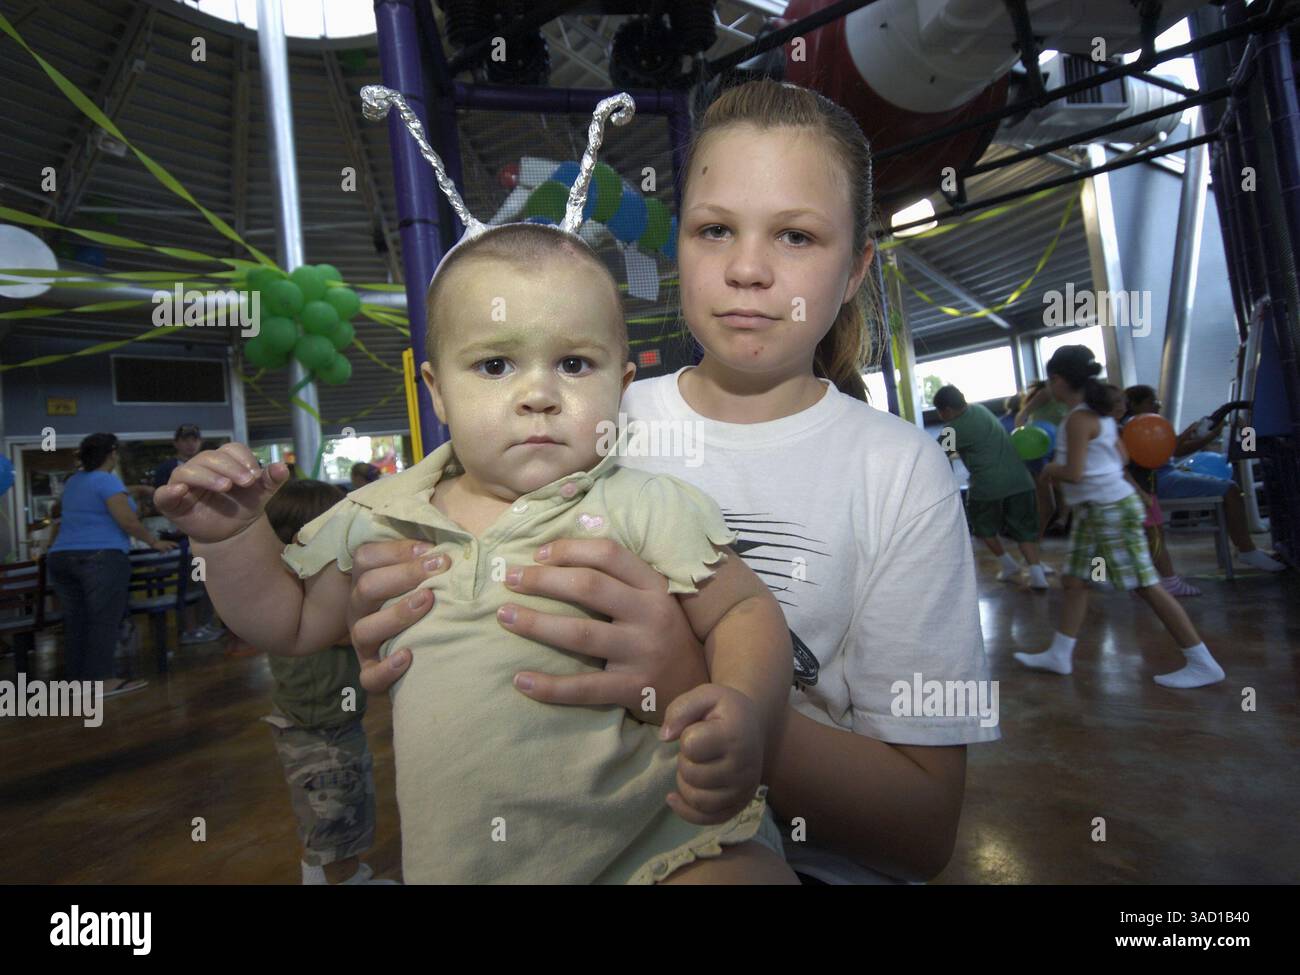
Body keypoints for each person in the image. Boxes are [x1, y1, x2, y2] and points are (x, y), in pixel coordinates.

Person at [344, 78, 997, 884]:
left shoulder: (902, 473)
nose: (748, 269)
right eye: (715, 229)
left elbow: (924, 830)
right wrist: (405, 617)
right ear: (677, 244)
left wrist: (692, 685)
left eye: (796, 237)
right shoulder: (572, 418)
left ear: (858, 265)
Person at [159, 194, 797, 877]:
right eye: (495, 366)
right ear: (436, 390)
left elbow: (742, 608)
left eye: (575, 365)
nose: (538, 395)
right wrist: (228, 540)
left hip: (659, 840)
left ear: (623, 383)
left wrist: (744, 710)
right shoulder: (381, 514)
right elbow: (285, 620)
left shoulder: (639, 502)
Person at [1014, 347, 1224, 688]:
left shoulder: (1079, 420)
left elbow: (1076, 472)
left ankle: (1202, 661)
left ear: (1056, 380)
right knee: (1076, 580)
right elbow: (1123, 457)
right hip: (1096, 510)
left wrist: (1051, 468)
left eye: (1050, 382)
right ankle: (1060, 654)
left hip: (1108, 509)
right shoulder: (1099, 415)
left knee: (1146, 584)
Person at [263, 480, 392, 885]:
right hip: (320, 727)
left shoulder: (289, 583)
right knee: (335, 810)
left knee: (336, 806)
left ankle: (331, 872)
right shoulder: (305, 589)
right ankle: (343, 877)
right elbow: (340, 631)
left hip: (322, 720)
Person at [46, 433, 176, 696]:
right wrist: (154, 542)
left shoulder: (74, 482)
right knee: (103, 618)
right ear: (113, 454)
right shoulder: (107, 482)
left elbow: (98, 495)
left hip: (61, 558)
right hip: (99, 557)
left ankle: (78, 682)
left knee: (77, 620)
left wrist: (135, 489)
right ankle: (101, 680)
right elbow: (126, 521)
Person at [1123, 385, 1283, 573]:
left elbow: (1172, 451)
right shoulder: (1132, 426)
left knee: (1228, 489)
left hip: (1164, 475)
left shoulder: (1141, 423)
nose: (1157, 406)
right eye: (1152, 402)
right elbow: (1168, 450)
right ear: (1134, 404)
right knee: (1230, 489)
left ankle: (1244, 546)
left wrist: (1199, 436)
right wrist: (1193, 434)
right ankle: (1247, 550)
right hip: (1157, 480)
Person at [934, 385, 1048, 589]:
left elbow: (937, 455)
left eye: (940, 411)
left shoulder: (953, 429)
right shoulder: (980, 410)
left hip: (988, 487)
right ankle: (1037, 575)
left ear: (947, 410)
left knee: (982, 528)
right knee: (1024, 531)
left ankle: (1009, 566)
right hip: (1020, 480)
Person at [151, 424, 227, 643]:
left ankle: (203, 625)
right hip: (182, 538)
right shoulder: (167, 469)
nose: (190, 443)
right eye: (185, 439)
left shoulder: (209, 466)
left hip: (207, 537)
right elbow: (160, 503)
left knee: (206, 583)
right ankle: (190, 629)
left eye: (194, 439)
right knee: (189, 582)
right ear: (176, 442)